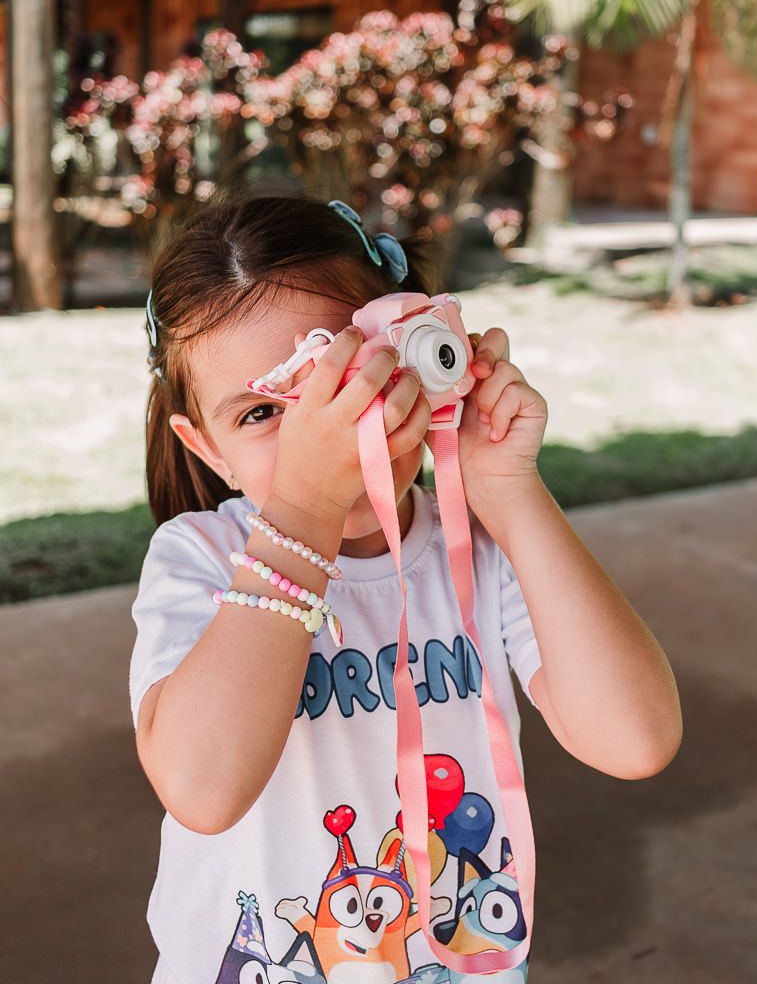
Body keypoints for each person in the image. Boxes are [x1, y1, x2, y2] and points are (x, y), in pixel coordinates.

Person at [130, 195, 682, 984]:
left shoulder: (483, 547)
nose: (324, 433)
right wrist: (305, 509)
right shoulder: (201, 559)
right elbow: (204, 791)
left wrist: (509, 492)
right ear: (208, 450)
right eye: (260, 413)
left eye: (348, 380)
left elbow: (636, 740)